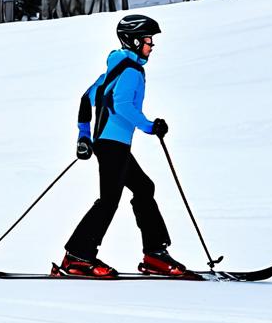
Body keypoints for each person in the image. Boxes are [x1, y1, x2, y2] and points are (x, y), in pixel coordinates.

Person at [59, 15, 187, 278]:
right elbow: (122, 105)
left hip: (111, 144)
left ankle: (155, 253)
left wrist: (84, 137)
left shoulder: (115, 68)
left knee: (143, 188)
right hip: (112, 145)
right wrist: (150, 126)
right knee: (108, 200)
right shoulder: (131, 71)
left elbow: (87, 98)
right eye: (149, 40)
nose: (151, 46)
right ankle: (77, 256)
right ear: (135, 40)